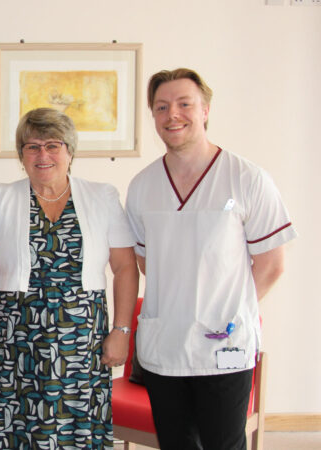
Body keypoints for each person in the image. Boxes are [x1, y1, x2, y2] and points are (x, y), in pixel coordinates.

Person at [125, 68, 297, 449]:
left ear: (205, 110)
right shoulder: (142, 187)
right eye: (161, 107)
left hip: (225, 348)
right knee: (176, 443)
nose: (173, 115)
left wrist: (228, 309)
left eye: (185, 104)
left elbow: (272, 264)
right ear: (153, 116)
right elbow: (146, 262)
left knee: (224, 444)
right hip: (164, 347)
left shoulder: (247, 178)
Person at [0, 108, 139, 448]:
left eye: (53, 145)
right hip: (15, 337)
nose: (43, 155)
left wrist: (122, 330)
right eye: (32, 147)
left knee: (77, 427)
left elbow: (125, 267)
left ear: (70, 152)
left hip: (82, 338)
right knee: (13, 426)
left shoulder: (103, 196)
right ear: (21, 155)